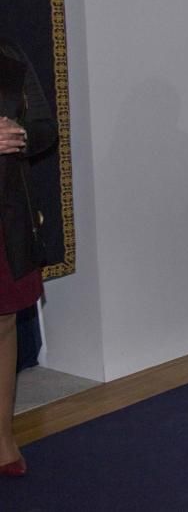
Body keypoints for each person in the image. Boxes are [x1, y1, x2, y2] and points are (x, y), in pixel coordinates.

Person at [0, 39, 57, 477]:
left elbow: (43, 126)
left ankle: (3, 436)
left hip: (7, 209)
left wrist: (19, 134)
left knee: (3, 321)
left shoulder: (11, 51)